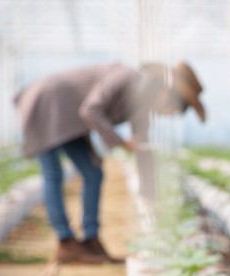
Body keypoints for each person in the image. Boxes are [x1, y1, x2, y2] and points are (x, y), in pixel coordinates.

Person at [14, 61, 206, 264]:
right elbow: (90, 109)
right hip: (46, 102)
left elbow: (143, 151)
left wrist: (151, 196)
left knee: (93, 172)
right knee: (53, 173)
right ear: (166, 96)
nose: (165, 116)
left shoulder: (142, 106)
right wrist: (121, 143)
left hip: (70, 120)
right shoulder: (125, 78)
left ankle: (90, 240)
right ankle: (66, 242)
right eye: (171, 112)